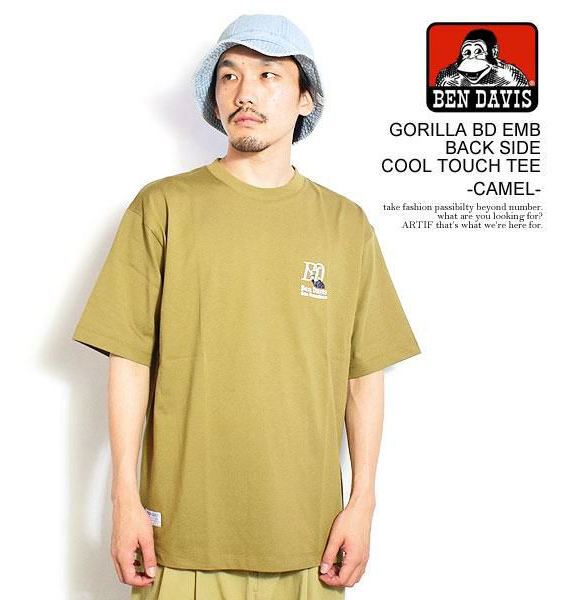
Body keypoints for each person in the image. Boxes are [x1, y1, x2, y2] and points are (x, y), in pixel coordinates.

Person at [72, 13, 421, 600]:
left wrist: (362, 503)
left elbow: (363, 376)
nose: (245, 92)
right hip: (178, 543)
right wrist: (123, 499)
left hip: (310, 544)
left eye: (268, 75)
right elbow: (129, 360)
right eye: (229, 76)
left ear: (306, 98)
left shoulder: (346, 224)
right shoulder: (163, 206)